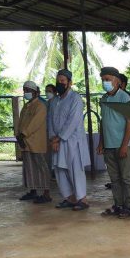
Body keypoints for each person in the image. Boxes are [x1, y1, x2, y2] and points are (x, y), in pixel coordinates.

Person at [48, 69, 91, 211]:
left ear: (69, 83)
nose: (59, 83)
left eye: (62, 81)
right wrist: (53, 138)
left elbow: (73, 121)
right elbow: (50, 121)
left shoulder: (75, 98)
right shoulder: (54, 101)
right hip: (57, 141)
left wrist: (59, 138)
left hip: (72, 141)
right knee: (60, 170)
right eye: (58, 81)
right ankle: (70, 198)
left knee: (75, 169)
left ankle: (82, 199)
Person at [98, 67, 130, 219]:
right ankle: (118, 204)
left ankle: (129, 206)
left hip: (123, 145)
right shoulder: (104, 99)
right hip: (108, 144)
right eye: (103, 79)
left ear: (117, 81)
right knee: (114, 178)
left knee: (126, 177)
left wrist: (124, 145)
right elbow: (103, 122)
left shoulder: (124, 97)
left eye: (108, 79)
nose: (105, 82)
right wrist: (101, 143)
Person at [16, 81, 51, 204]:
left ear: (36, 92)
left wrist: (23, 134)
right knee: (29, 168)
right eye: (24, 90)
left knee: (41, 167)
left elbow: (35, 123)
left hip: (36, 142)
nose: (26, 93)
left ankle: (46, 193)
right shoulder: (26, 106)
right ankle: (33, 190)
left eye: (28, 91)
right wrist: (18, 135)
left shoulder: (41, 106)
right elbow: (21, 122)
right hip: (25, 141)